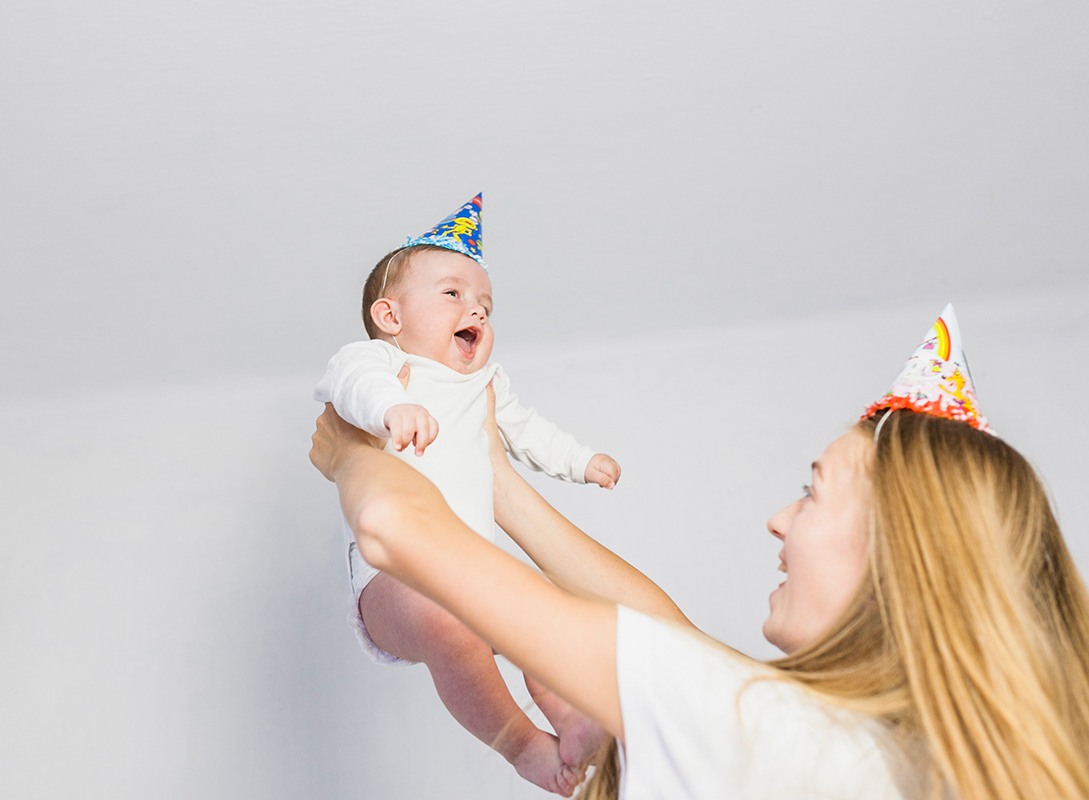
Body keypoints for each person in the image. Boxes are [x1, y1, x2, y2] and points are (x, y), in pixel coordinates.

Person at [309, 304, 1089, 799]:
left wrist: (351, 455)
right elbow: (673, 640)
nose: (780, 520)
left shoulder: (792, 736)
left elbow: (391, 526)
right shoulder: (883, 758)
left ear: (900, 557)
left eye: (814, 493)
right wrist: (499, 485)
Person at [314, 193, 620, 795]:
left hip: (473, 564)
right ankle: (523, 746)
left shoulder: (485, 383)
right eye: (453, 294)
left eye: (484, 303)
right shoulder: (376, 363)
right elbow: (348, 384)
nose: (475, 309)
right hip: (393, 580)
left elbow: (529, 431)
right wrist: (390, 407)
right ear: (390, 317)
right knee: (449, 628)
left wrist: (581, 461)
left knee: (542, 616)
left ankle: (575, 722)